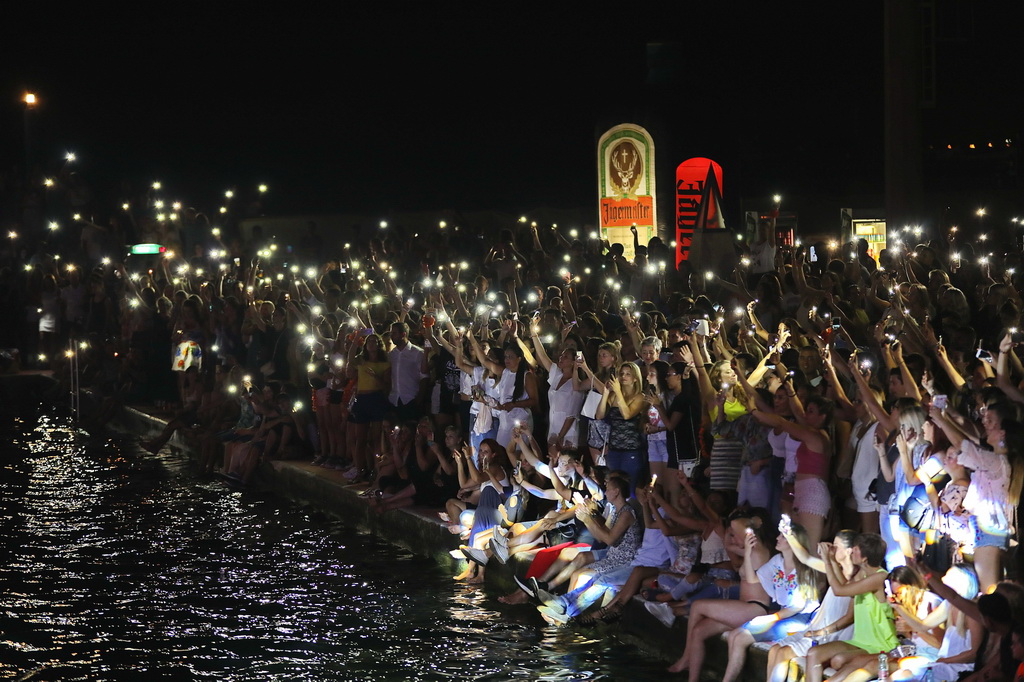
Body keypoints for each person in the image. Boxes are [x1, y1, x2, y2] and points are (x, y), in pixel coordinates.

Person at [595, 361, 647, 492]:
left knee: (630, 487)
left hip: (631, 449)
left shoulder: (639, 397)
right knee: (614, 486)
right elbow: (599, 415)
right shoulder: (614, 396)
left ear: (635, 378)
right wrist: (606, 394)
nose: (623, 376)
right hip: (614, 449)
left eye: (628, 374)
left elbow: (627, 415)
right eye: (622, 373)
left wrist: (618, 392)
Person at [388, 321, 425, 422]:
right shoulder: (391, 355)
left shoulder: (417, 353)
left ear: (403, 334)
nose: (391, 336)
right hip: (394, 399)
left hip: (411, 398)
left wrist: (419, 398)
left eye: (394, 333)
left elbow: (424, 377)